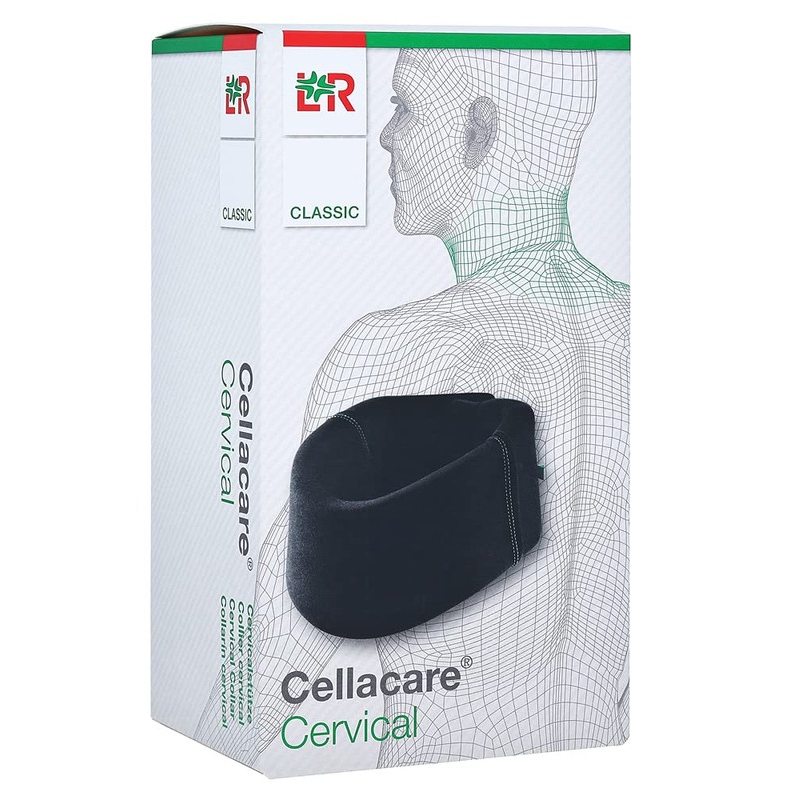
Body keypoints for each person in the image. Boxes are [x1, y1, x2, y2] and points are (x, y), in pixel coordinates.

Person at [197, 46, 629, 766]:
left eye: (405, 106)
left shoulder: (395, 350)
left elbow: (271, 662)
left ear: (479, 130)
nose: (385, 135)